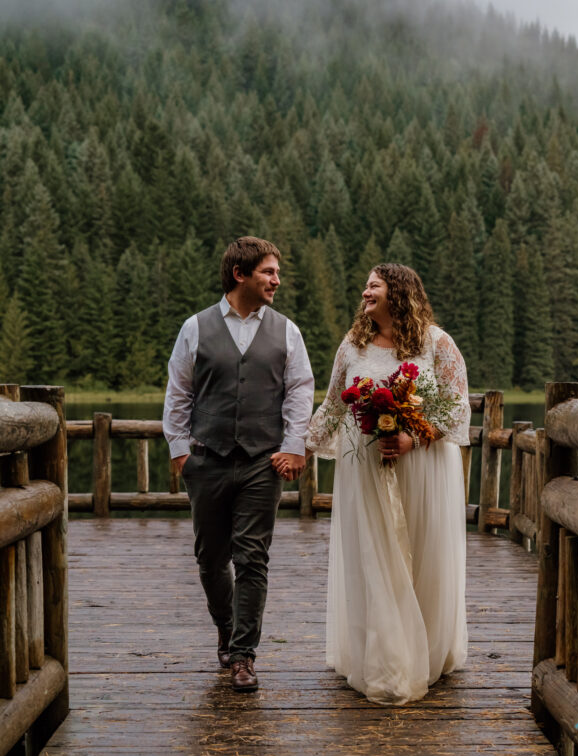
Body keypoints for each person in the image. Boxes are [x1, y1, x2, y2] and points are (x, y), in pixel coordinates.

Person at [305, 263, 470, 705]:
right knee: (375, 557)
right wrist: (299, 446)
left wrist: (412, 436)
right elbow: (333, 406)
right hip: (367, 467)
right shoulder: (353, 344)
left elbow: (456, 408)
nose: (365, 293)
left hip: (424, 467)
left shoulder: (437, 343)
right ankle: (387, 658)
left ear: (398, 292)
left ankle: (429, 647)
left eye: (373, 286)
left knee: (422, 554)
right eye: (365, 286)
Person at [163, 237, 314, 691]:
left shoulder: (287, 331)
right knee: (211, 559)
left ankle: (244, 655)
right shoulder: (195, 327)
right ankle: (226, 631)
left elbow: (300, 391)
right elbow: (179, 392)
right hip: (206, 459)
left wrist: (294, 445)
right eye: (268, 272)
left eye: (277, 272)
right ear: (240, 275)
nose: (277, 280)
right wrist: (180, 451)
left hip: (261, 463)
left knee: (253, 558)